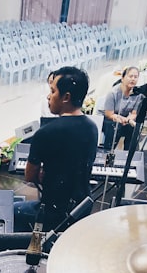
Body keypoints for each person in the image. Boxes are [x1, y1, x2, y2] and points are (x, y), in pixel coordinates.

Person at [15, 66, 97, 232]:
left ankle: (25, 249)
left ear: (66, 97)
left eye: (52, 91)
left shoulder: (46, 132)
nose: (48, 96)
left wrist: (45, 174)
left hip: (54, 213)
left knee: (13, 210)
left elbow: (30, 176)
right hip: (82, 209)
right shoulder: (92, 127)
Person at [101, 67, 142, 151]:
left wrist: (128, 120)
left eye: (135, 77)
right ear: (123, 78)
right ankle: (108, 152)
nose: (133, 79)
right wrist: (125, 120)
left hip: (125, 120)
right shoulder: (113, 93)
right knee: (115, 126)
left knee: (133, 128)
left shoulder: (138, 94)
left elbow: (134, 113)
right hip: (110, 120)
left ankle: (129, 155)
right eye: (130, 76)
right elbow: (109, 114)